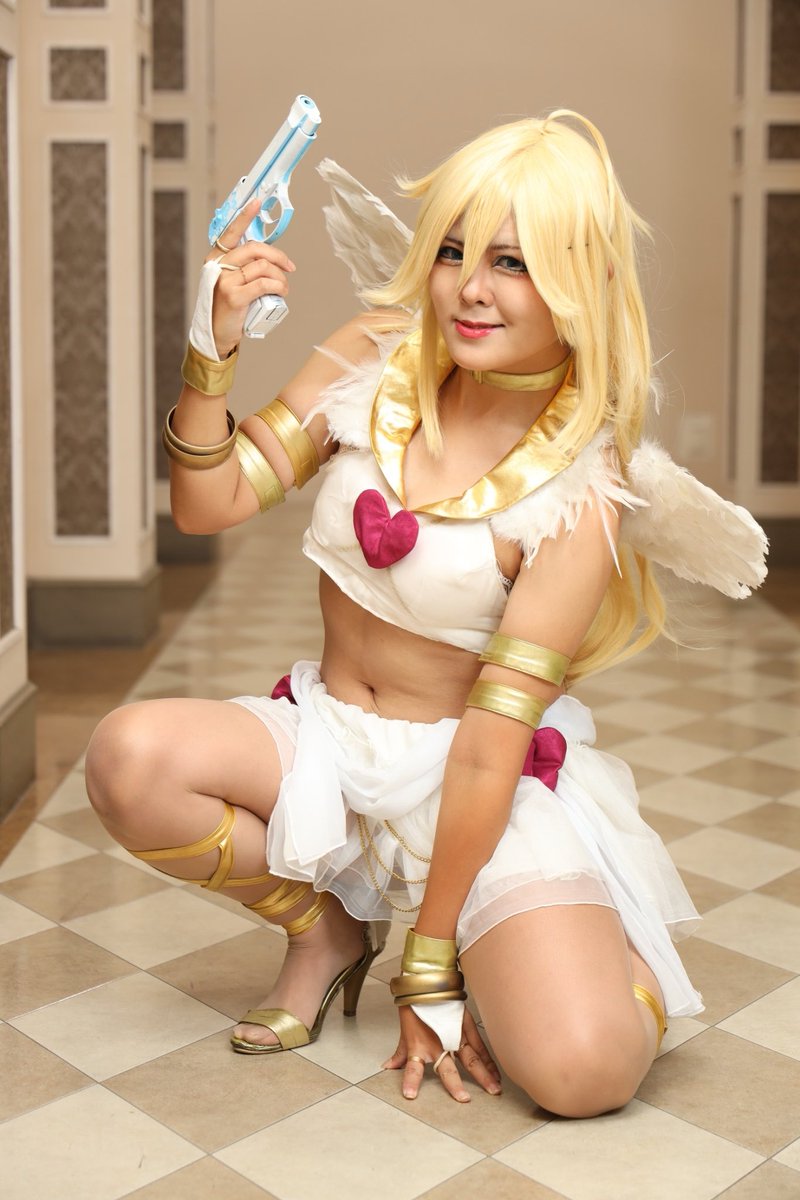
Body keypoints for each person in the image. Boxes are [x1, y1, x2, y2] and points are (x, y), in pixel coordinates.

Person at [85, 110, 765, 1117]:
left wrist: (433, 962)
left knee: (582, 1073)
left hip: (476, 781)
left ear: (579, 282)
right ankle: (324, 930)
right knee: (128, 758)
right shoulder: (375, 356)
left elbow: (490, 743)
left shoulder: (583, 489)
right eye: (452, 252)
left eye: (512, 263)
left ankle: (581, 953)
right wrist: (210, 349)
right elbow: (208, 502)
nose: (469, 289)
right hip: (330, 739)